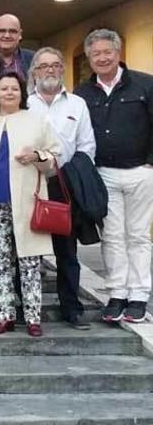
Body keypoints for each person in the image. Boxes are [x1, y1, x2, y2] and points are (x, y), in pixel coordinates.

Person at [0, 73, 61, 337]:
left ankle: (33, 317)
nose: (9, 92)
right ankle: (4, 315)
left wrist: (36, 156)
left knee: (30, 261)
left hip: (28, 202)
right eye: (4, 88)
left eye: (14, 89)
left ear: (22, 94)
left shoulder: (36, 122)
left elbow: (55, 159)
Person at [75, 29, 153, 323]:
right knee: (112, 236)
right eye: (96, 54)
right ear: (90, 58)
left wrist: (150, 163)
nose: (102, 58)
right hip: (104, 174)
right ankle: (117, 293)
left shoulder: (144, 85)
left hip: (140, 173)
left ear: (118, 53)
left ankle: (139, 296)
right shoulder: (83, 93)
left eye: (108, 52)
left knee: (138, 236)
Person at [27, 47, 96, 330]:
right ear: (34, 72)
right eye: (44, 66)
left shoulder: (77, 104)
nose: (50, 71)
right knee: (28, 251)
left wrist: (72, 175)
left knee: (66, 251)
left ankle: (72, 308)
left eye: (55, 65)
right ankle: (28, 310)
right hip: (30, 183)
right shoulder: (24, 103)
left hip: (64, 184)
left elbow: (87, 146)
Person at [0, 13, 35, 81]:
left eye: (12, 31)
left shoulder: (34, 59)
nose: (7, 35)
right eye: (1, 31)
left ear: (20, 34)